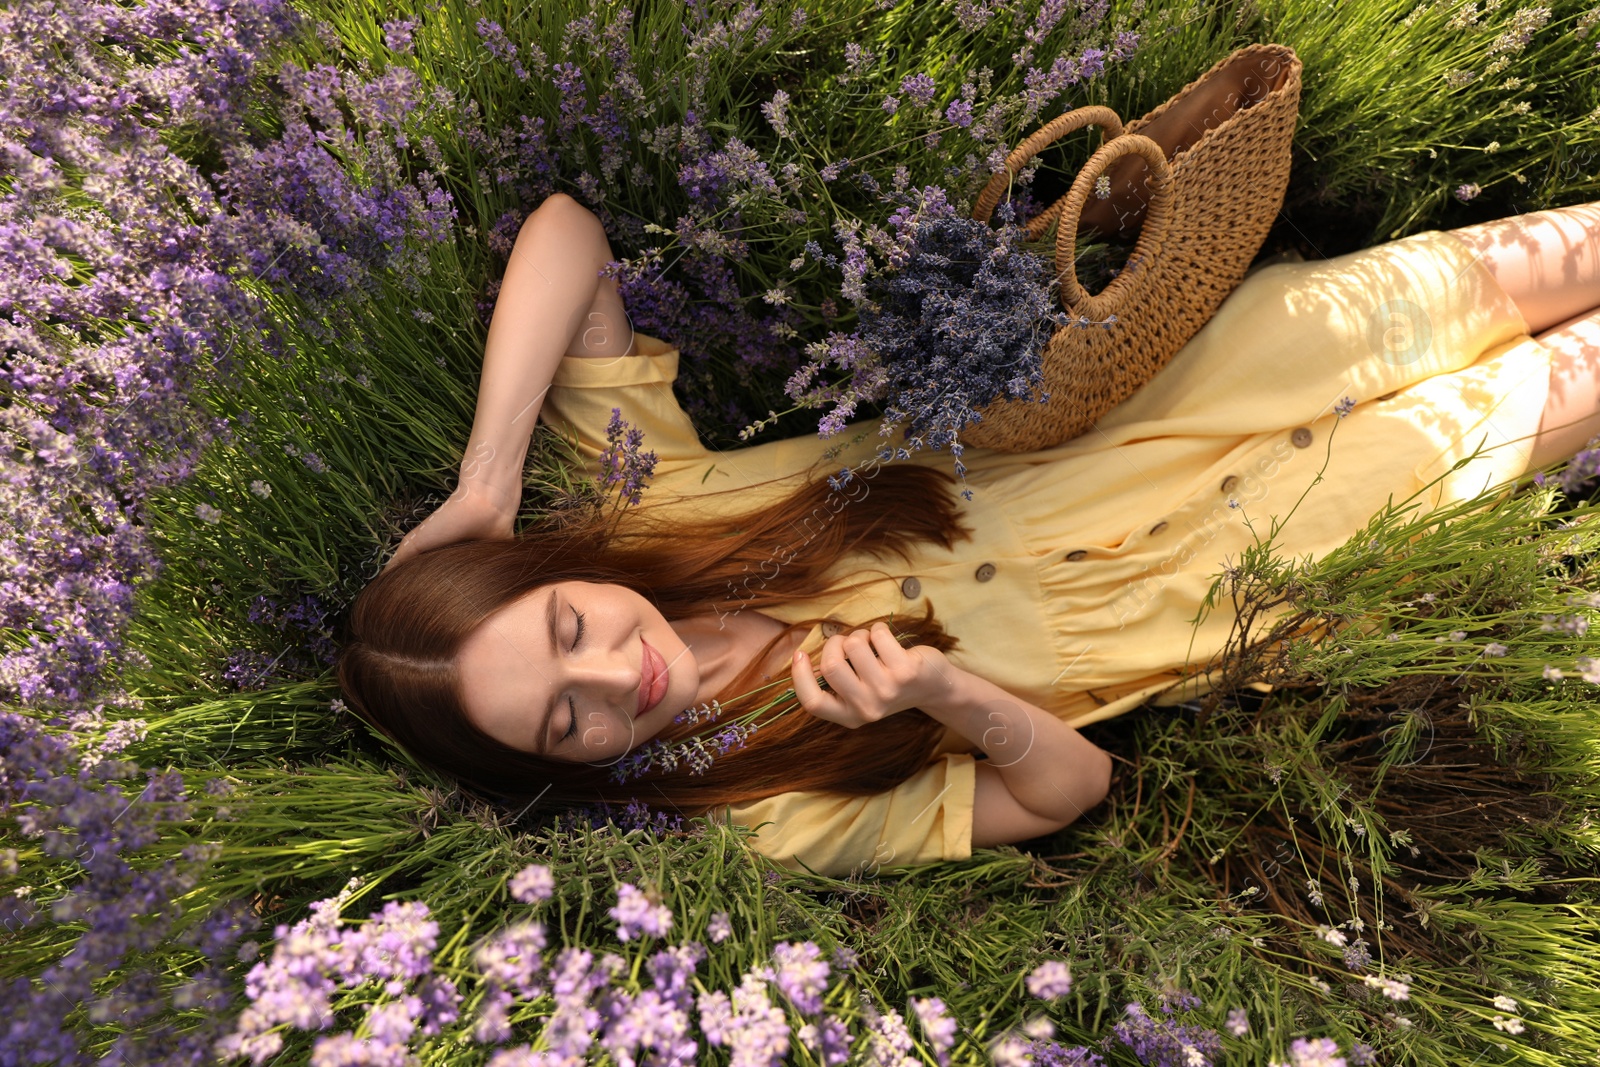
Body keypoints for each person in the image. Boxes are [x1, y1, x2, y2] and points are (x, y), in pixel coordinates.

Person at [336, 191, 1600, 878]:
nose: (618, 672)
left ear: (546, 570)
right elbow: (1067, 791)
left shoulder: (637, 504)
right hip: (1242, 566)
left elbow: (566, 234)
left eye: (566, 627)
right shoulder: (759, 807)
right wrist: (949, 692)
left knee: (1546, 255)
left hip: (1176, 390)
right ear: (562, 766)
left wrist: (486, 489)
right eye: (570, 720)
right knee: (1565, 385)